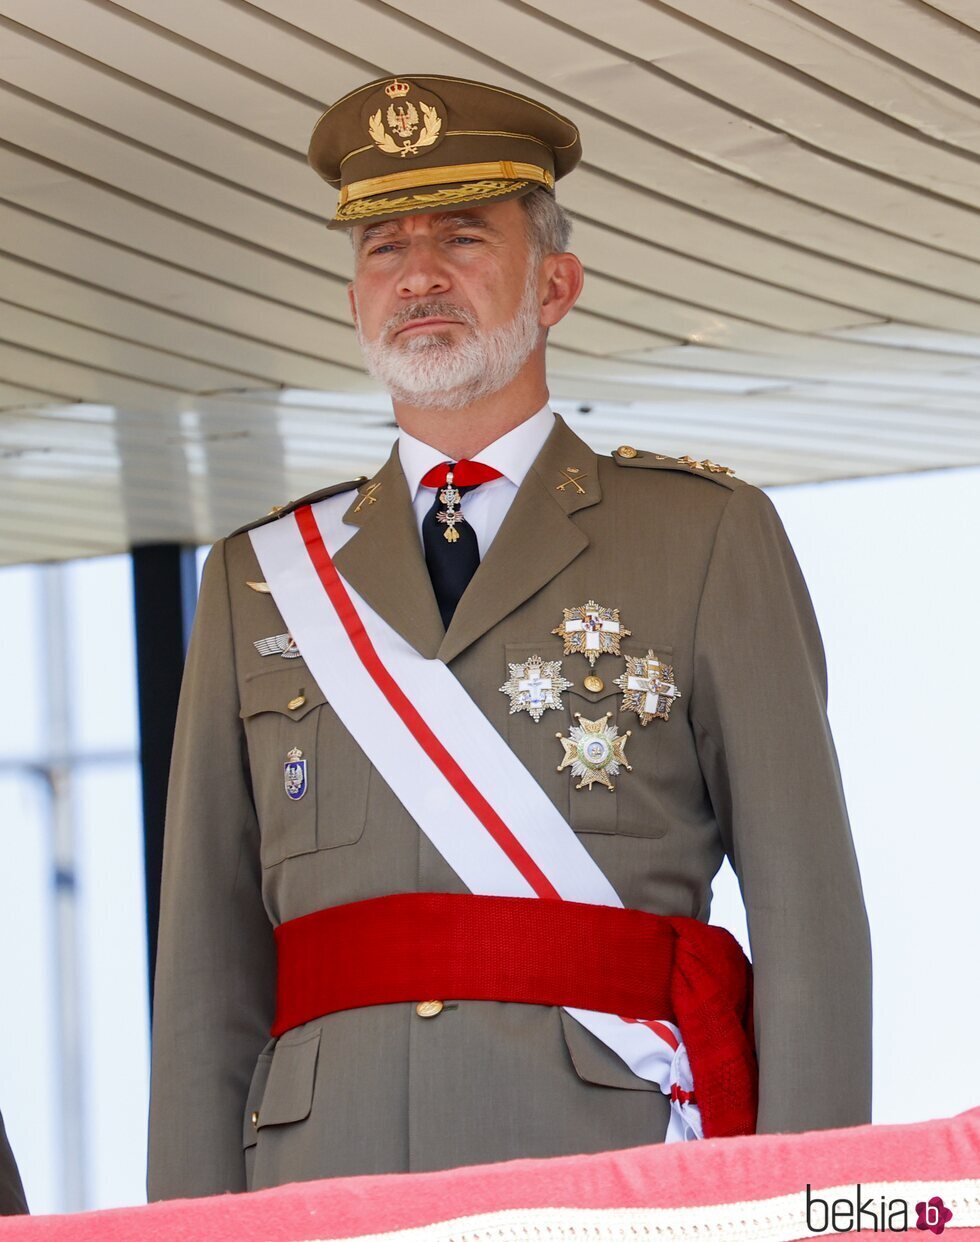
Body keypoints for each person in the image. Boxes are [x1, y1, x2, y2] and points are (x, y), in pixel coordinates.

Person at [147, 74, 871, 1201]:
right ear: (353, 301)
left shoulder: (704, 537)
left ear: (556, 284)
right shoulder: (259, 578)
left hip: (610, 1169)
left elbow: (805, 911)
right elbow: (206, 974)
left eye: (462, 236)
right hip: (322, 1179)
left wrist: (815, 1210)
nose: (419, 274)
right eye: (383, 247)